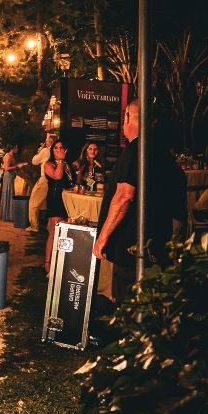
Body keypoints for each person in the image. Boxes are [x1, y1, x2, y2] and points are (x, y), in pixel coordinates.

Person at [92, 100, 186, 303]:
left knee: (128, 300)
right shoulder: (163, 154)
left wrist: (102, 237)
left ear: (127, 118)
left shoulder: (136, 149)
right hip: (155, 246)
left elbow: (124, 196)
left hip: (131, 246)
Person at [43, 139, 73, 272]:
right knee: (54, 231)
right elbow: (57, 176)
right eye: (55, 148)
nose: (58, 150)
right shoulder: (48, 164)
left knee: (65, 231)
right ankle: (48, 263)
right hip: (55, 199)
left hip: (67, 200)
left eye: (61, 148)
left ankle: (61, 261)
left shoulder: (67, 164)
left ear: (65, 150)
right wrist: (60, 161)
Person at [28, 134, 56, 231]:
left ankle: (34, 226)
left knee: (34, 202)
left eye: (46, 140)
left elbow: (34, 161)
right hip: (54, 179)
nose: (45, 142)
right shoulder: (56, 152)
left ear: (50, 142)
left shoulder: (46, 151)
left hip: (45, 178)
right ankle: (47, 225)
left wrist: (40, 150)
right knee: (47, 203)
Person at [0, 144, 26, 221]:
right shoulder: (8, 156)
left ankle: (9, 214)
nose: (17, 149)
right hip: (8, 176)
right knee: (8, 193)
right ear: (13, 148)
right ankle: (7, 215)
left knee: (10, 193)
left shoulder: (11, 155)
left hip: (10, 176)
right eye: (16, 147)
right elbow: (6, 168)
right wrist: (17, 166)